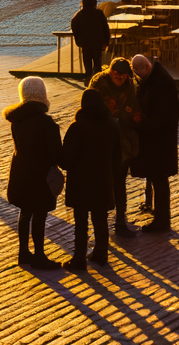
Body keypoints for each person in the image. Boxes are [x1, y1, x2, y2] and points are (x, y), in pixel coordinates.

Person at [4, 76, 64, 269]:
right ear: (42, 95)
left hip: (21, 172)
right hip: (40, 176)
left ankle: (23, 252)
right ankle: (39, 255)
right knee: (39, 214)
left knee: (25, 212)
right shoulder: (47, 123)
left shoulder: (17, 120)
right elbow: (56, 155)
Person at [60, 88, 120, 269]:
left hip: (81, 183)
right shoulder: (112, 125)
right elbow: (117, 157)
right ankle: (101, 253)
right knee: (100, 219)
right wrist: (111, 176)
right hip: (103, 181)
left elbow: (66, 160)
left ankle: (79, 259)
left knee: (81, 222)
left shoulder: (78, 127)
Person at [89, 58, 141, 237]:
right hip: (101, 140)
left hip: (122, 140)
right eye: (116, 73)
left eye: (123, 74)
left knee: (119, 183)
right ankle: (100, 224)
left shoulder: (131, 87)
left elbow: (133, 109)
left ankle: (120, 221)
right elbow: (90, 106)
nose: (119, 77)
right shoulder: (98, 82)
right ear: (110, 72)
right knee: (102, 182)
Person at [130, 54, 179, 233]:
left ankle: (162, 220)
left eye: (138, 72)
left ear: (146, 67)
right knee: (157, 178)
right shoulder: (154, 79)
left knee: (159, 179)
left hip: (160, 140)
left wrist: (141, 123)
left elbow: (164, 116)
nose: (137, 77)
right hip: (156, 140)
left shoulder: (161, 82)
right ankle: (159, 217)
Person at [70, 0, 111, 84]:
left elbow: (74, 24)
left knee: (87, 63)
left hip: (85, 44)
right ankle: (98, 80)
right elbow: (105, 28)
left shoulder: (80, 15)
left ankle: (88, 78)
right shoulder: (99, 13)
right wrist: (106, 41)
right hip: (97, 43)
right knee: (98, 62)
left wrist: (79, 38)